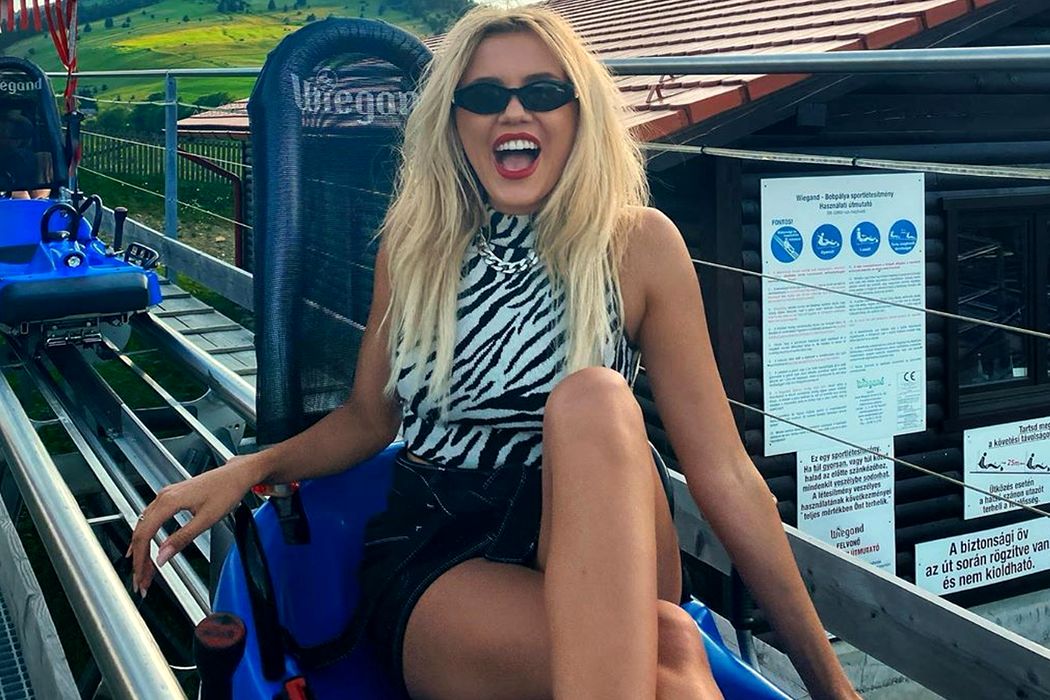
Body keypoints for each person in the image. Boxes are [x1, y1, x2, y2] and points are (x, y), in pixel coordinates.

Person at [131, 7, 860, 699]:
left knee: (596, 398)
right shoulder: (414, 248)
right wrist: (249, 469)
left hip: (605, 516)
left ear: (580, 113)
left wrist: (833, 684)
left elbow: (725, 474)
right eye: (484, 96)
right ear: (454, 123)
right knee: (670, 655)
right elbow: (368, 418)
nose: (514, 113)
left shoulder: (637, 245)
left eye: (542, 92)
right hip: (447, 536)